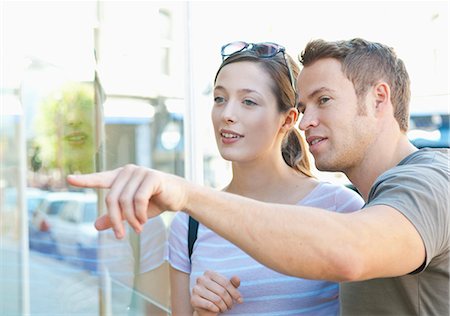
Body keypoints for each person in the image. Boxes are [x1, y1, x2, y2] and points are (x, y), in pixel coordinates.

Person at [67, 38, 450, 315]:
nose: (308, 119)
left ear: (379, 99)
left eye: (324, 100)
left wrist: (185, 193)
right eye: (219, 99)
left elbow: (347, 252)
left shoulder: (428, 181)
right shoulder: (377, 202)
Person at [168, 41, 364, 314]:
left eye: (248, 101)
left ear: (288, 119)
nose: (227, 114)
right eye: (219, 99)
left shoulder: (341, 208)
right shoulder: (189, 224)